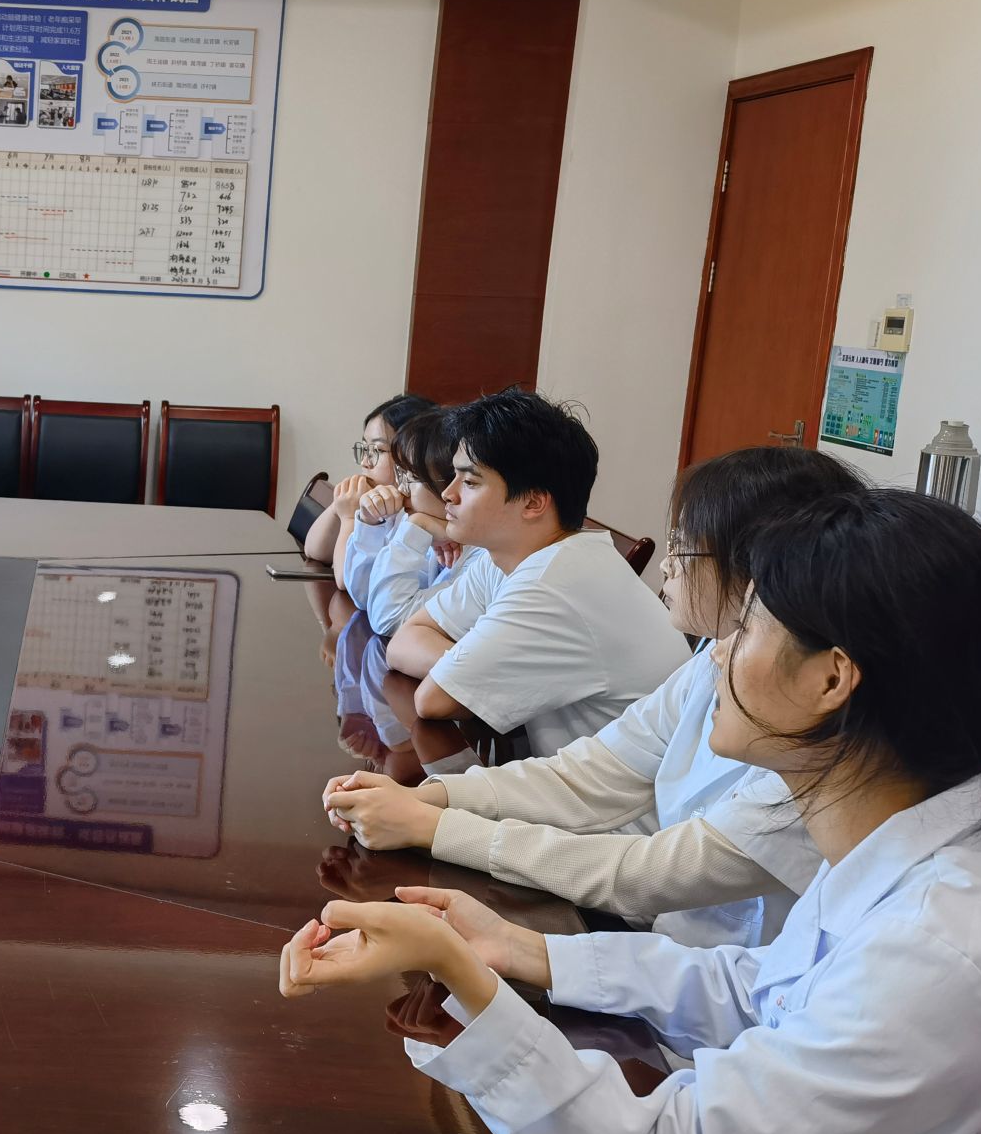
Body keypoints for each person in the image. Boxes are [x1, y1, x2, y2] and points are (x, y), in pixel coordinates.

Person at [280, 492, 981, 1134]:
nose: (716, 654)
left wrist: (463, 981)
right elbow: (765, 989)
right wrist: (529, 951)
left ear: (831, 678)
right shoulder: (924, 842)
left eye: (747, 628)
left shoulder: (943, 947)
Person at [329, 446, 864, 947]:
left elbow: (648, 876)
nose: (668, 564)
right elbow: (592, 771)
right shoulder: (714, 657)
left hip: (681, 946)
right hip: (657, 939)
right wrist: (431, 798)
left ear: (762, 570)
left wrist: (431, 825)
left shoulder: (824, 745)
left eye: (683, 545)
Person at [384, 390, 689, 756]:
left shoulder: (555, 585)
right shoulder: (507, 556)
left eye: (470, 482)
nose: (448, 494)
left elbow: (432, 700)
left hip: (623, 791)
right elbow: (404, 639)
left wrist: (471, 672)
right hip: (559, 774)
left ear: (532, 502)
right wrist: (473, 668)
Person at [361, 405, 478, 638]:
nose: (401, 489)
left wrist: (417, 526)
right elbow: (364, 595)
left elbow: (388, 619)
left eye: (411, 477)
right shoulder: (441, 540)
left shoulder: (480, 557)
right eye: (400, 475)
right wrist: (366, 520)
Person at [302, 392, 433, 591]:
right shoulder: (375, 501)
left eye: (377, 450)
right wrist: (338, 507)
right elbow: (314, 550)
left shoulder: (416, 516)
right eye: (364, 449)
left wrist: (349, 519)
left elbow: (346, 581)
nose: (364, 462)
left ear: (412, 455)